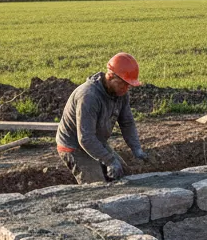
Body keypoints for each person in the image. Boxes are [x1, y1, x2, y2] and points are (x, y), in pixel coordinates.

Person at [56, 53, 149, 184]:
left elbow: (127, 123)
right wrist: (109, 161)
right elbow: (85, 138)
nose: (127, 88)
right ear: (111, 77)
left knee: (124, 176)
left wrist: (136, 148)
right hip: (74, 146)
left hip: (96, 141)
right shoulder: (89, 96)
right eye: (124, 84)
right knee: (97, 186)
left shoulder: (121, 93)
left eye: (129, 85)